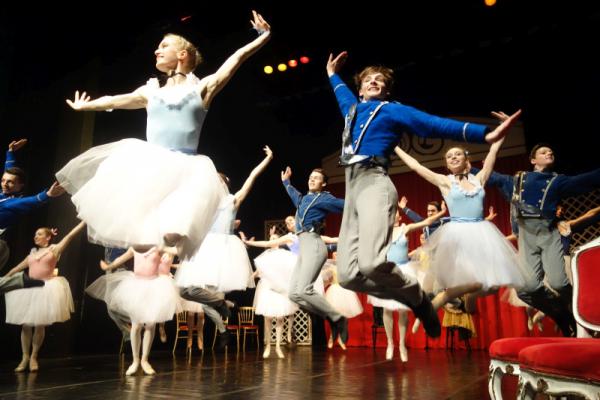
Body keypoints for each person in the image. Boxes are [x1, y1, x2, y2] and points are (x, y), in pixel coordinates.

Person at [326, 51, 521, 338]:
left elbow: (433, 123)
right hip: (352, 189)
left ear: (387, 90)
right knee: (347, 277)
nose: (374, 81)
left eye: (380, 80)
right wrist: (332, 74)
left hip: (374, 184)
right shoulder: (352, 110)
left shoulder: (392, 110)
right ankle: (414, 299)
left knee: (371, 264)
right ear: (361, 89)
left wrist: (484, 135)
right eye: (368, 79)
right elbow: (342, 95)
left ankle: (416, 295)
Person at [56, 11, 271, 259]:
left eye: (164, 45)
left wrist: (262, 37)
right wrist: (86, 106)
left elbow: (237, 59)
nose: (157, 50)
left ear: (182, 54)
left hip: (187, 167)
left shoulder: (202, 88)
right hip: (152, 163)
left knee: (172, 234)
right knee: (141, 241)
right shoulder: (150, 92)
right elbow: (114, 100)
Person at [477, 134, 600, 336]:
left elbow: (587, 180)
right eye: (543, 152)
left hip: (548, 232)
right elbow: (492, 177)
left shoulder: (557, 181)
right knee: (530, 287)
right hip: (526, 234)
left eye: (550, 151)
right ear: (533, 160)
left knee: (559, 282)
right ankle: (562, 315)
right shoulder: (518, 180)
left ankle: (580, 311)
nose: (549, 153)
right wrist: (465, 168)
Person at [393, 137, 533, 306]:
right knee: (472, 282)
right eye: (449, 156)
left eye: (458, 154)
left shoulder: (478, 179)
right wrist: (395, 147)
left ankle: (468, 297)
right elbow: (416, 166)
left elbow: (493, 153)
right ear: (446, 163)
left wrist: (500, 137)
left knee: (494, 286)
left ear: (466, 159)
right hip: (459, 234)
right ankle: (443, 299)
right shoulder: (445, 181)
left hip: (482, 232)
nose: (453, 157)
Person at [175, 146, 273, 293]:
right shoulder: (208, 201)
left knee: (215, 287)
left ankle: (221, 303)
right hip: (206, 245)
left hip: (225, 245)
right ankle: (220, 303)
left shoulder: (233, 200)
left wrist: (268, 158)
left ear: (223, 184)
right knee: (192, 289)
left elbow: (252, 177)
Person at [367, 201, 446, 361]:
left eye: (395, 211)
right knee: (387, 309)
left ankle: (402, 344)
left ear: (399, 216)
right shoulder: (383, 232)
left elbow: (426, 222)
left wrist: (442, 213)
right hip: (389, 271)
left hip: (404, 271)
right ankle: (390, 343)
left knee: (403, 310)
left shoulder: (405, 228)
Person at [3, 221, 85, 372]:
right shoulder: (32, 254)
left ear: (48, 237)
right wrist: (5, 278)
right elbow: (17, 268)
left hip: (44, 288)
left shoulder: (54, 249)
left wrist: (84, 221)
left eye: (39, 234)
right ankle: (24, 357)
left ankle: (34, 356)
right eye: (35, 234)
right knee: (26, 325)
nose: (36, 236)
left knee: (39, 324)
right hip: (28, 289)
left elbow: (70, 236)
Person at [280, 166, 347, 338]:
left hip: (314, 244)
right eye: (311, 176)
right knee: (294, 294)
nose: (312, 179)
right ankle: (328, 317)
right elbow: (294, 195)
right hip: (304, 248)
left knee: (304, 290)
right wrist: (286, 182)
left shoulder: (325, 198)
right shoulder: (303, 200)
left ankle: (338, 318)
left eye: (316, 178)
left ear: (323, 184)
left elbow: (345, 205)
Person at [101, 246, 181, 375]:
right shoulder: (135, 248)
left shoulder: (158, 247)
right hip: (137, 287)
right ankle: (135, 361)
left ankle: (144, 360)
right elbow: (120, 259)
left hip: (154, 287)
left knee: (150, 325)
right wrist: (108, 266)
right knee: (136, 325)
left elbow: (177, 250)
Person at [1, 139, 65, 273]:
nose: (5, 184)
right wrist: (10, 152)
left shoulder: (12, 203)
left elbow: (32, 201)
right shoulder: (5, 194)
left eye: (10, 182)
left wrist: (47, 194)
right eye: (3, 180)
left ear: (20, 186)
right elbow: (9, 171)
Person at [249, 228, 300, 359]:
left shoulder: (285, 254)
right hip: (268, 289)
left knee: (280, 318)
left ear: (279, 241)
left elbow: (292, 269)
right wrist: (250, 276)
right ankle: (268, 345)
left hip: (281, 290)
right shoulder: (265, 256)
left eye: (275, 239)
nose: (272, 241)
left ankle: (278, 346)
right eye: (271, 239)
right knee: (268, 318)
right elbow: (259, 272)